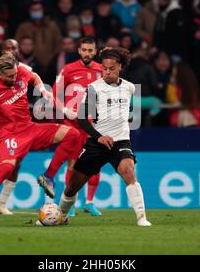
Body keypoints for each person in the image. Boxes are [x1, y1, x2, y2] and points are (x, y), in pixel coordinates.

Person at [0, 54, 83, 227]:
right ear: (0, 75)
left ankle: (48, 176)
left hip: (30, 128)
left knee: (73, 135)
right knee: (7, 168)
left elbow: (33, 77)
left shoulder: (21, 72)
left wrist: (42, 89)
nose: (14, 78)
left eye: (15, 74)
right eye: (9, 76)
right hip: (11, 134)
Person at [58, 47, 152, 227]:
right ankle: (60, 216)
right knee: (72, 186)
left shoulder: (129, 87)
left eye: (111, 68)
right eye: (104, 68)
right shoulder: (94, 88)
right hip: (97, 142)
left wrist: (126, 116)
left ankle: (142, 217)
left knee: (129, 171)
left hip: (121, 141)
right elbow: (82, 118)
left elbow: (127, 110)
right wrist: (98, 136)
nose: (107, 72)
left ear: (120, 67)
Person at [51, 37, 103, 217]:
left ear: (95, 51)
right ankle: (70, 202)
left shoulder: (101, 70)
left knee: (95, 163)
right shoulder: (68, 69)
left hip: (94, 124)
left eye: (91, 50)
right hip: (73, 124)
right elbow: (54, 94)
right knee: (73, 163)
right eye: (84, 50)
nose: (87, 53)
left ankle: (89, 202)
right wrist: (65, 109)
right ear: (79, 51)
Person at [0, 38, 31, 215]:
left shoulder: (27, 70)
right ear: (2, 51)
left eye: (14, 48)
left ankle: (1, 204)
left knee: (16, 163)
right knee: (4, 161)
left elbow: (33, 95)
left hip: (23, 124)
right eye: (7, 48)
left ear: (18, 51)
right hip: (2, 123)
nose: (10, 50)